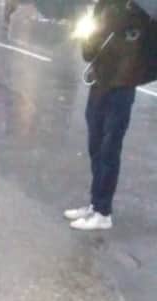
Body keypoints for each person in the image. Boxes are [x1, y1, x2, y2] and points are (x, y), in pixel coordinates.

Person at [66, 0, 157, 231]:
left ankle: (103, 212)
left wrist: (136, 75)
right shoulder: (105, 6)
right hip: (100, 82)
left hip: (121, 88)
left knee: (109, 149)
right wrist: (88, 39)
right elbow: (89, 51)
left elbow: (147, 53)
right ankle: (95, 203)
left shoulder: (143, 14)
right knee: (95, 145)